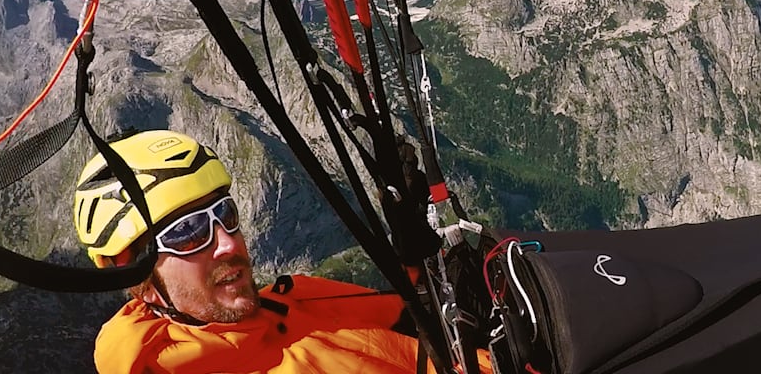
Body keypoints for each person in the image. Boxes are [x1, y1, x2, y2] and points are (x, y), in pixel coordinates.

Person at [73, 129, 483, 373]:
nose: (229, 243)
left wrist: (417, 260)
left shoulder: (294, 299)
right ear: (135, 275)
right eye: (190, 231)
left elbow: (409, 317)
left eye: (225, 214)